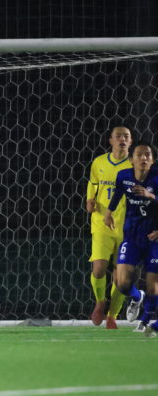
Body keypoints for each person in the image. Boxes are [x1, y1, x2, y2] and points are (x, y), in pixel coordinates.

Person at [103, 142, 158, 334]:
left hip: (154, 238)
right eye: (139, 154)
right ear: (131, 159)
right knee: (121, 283)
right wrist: (108, 212)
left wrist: (150, 196)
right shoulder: (123, 176)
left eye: (148, 155)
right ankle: (136, 297)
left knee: (153, 286)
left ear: (153, 160)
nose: (144, 158)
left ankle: (145, 321)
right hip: (132, 237)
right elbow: (118, 193)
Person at [86, 126, 132, 329]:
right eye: (118, 136)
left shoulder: (135, 165)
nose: (122, 139)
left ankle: (113, 315)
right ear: (111, 140)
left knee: (121, 276)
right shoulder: (99, 162)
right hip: (101, 222)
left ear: (130, 142)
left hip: (127, 226)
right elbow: (93, 183)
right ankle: (100, 301)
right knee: (98, 269)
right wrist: (90, 198)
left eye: (126, 136)